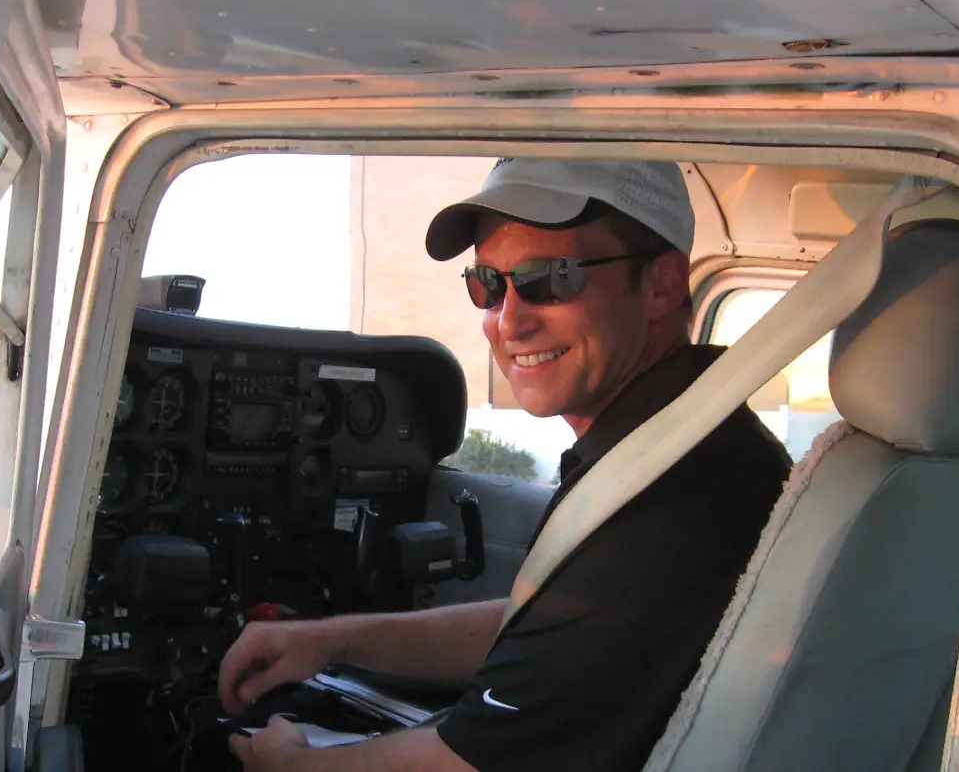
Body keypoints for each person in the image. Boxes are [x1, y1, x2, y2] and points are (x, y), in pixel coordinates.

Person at [224, 158, 792, 772]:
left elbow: (472, 764)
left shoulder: (669, 495)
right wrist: (335, 639)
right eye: (488, 285)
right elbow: (544, 633)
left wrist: (291, 765)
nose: (509, 321)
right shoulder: (680, 443)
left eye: (552, 279)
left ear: (661, 285)